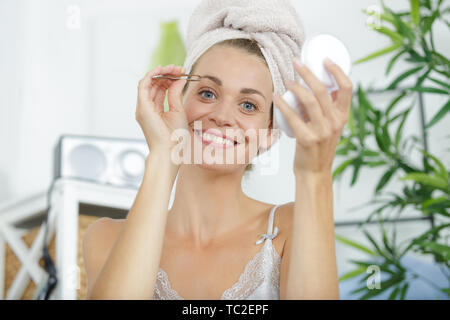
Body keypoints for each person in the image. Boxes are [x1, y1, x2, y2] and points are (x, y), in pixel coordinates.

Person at [83, 0, 353, 300]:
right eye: (208, 93)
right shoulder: (105, 238)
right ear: (178, 100)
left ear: (269, 133)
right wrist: (163, 156)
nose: (223, 116)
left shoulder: (290, 228)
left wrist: (314, 174)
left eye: (248, 105)